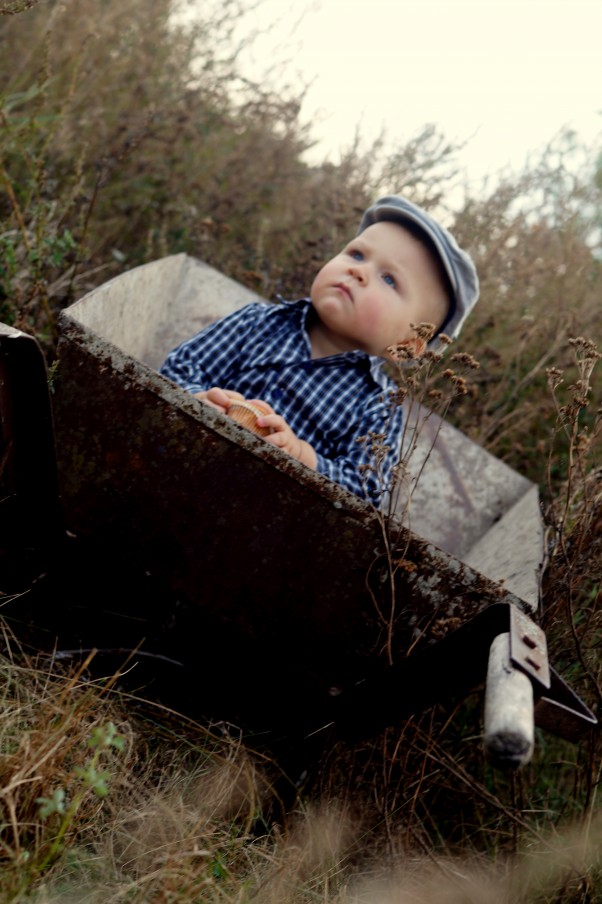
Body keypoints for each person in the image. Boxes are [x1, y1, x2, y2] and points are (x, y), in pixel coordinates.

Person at [159, 195, 479, 503]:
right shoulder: (257, 322)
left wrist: (301, 456)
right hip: (179, 459)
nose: (359, 270)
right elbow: (181, 367)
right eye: (356, 254)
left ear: (408, 346)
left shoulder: (379, 405)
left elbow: (366, 491)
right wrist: (197, 399)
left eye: (390, 280)